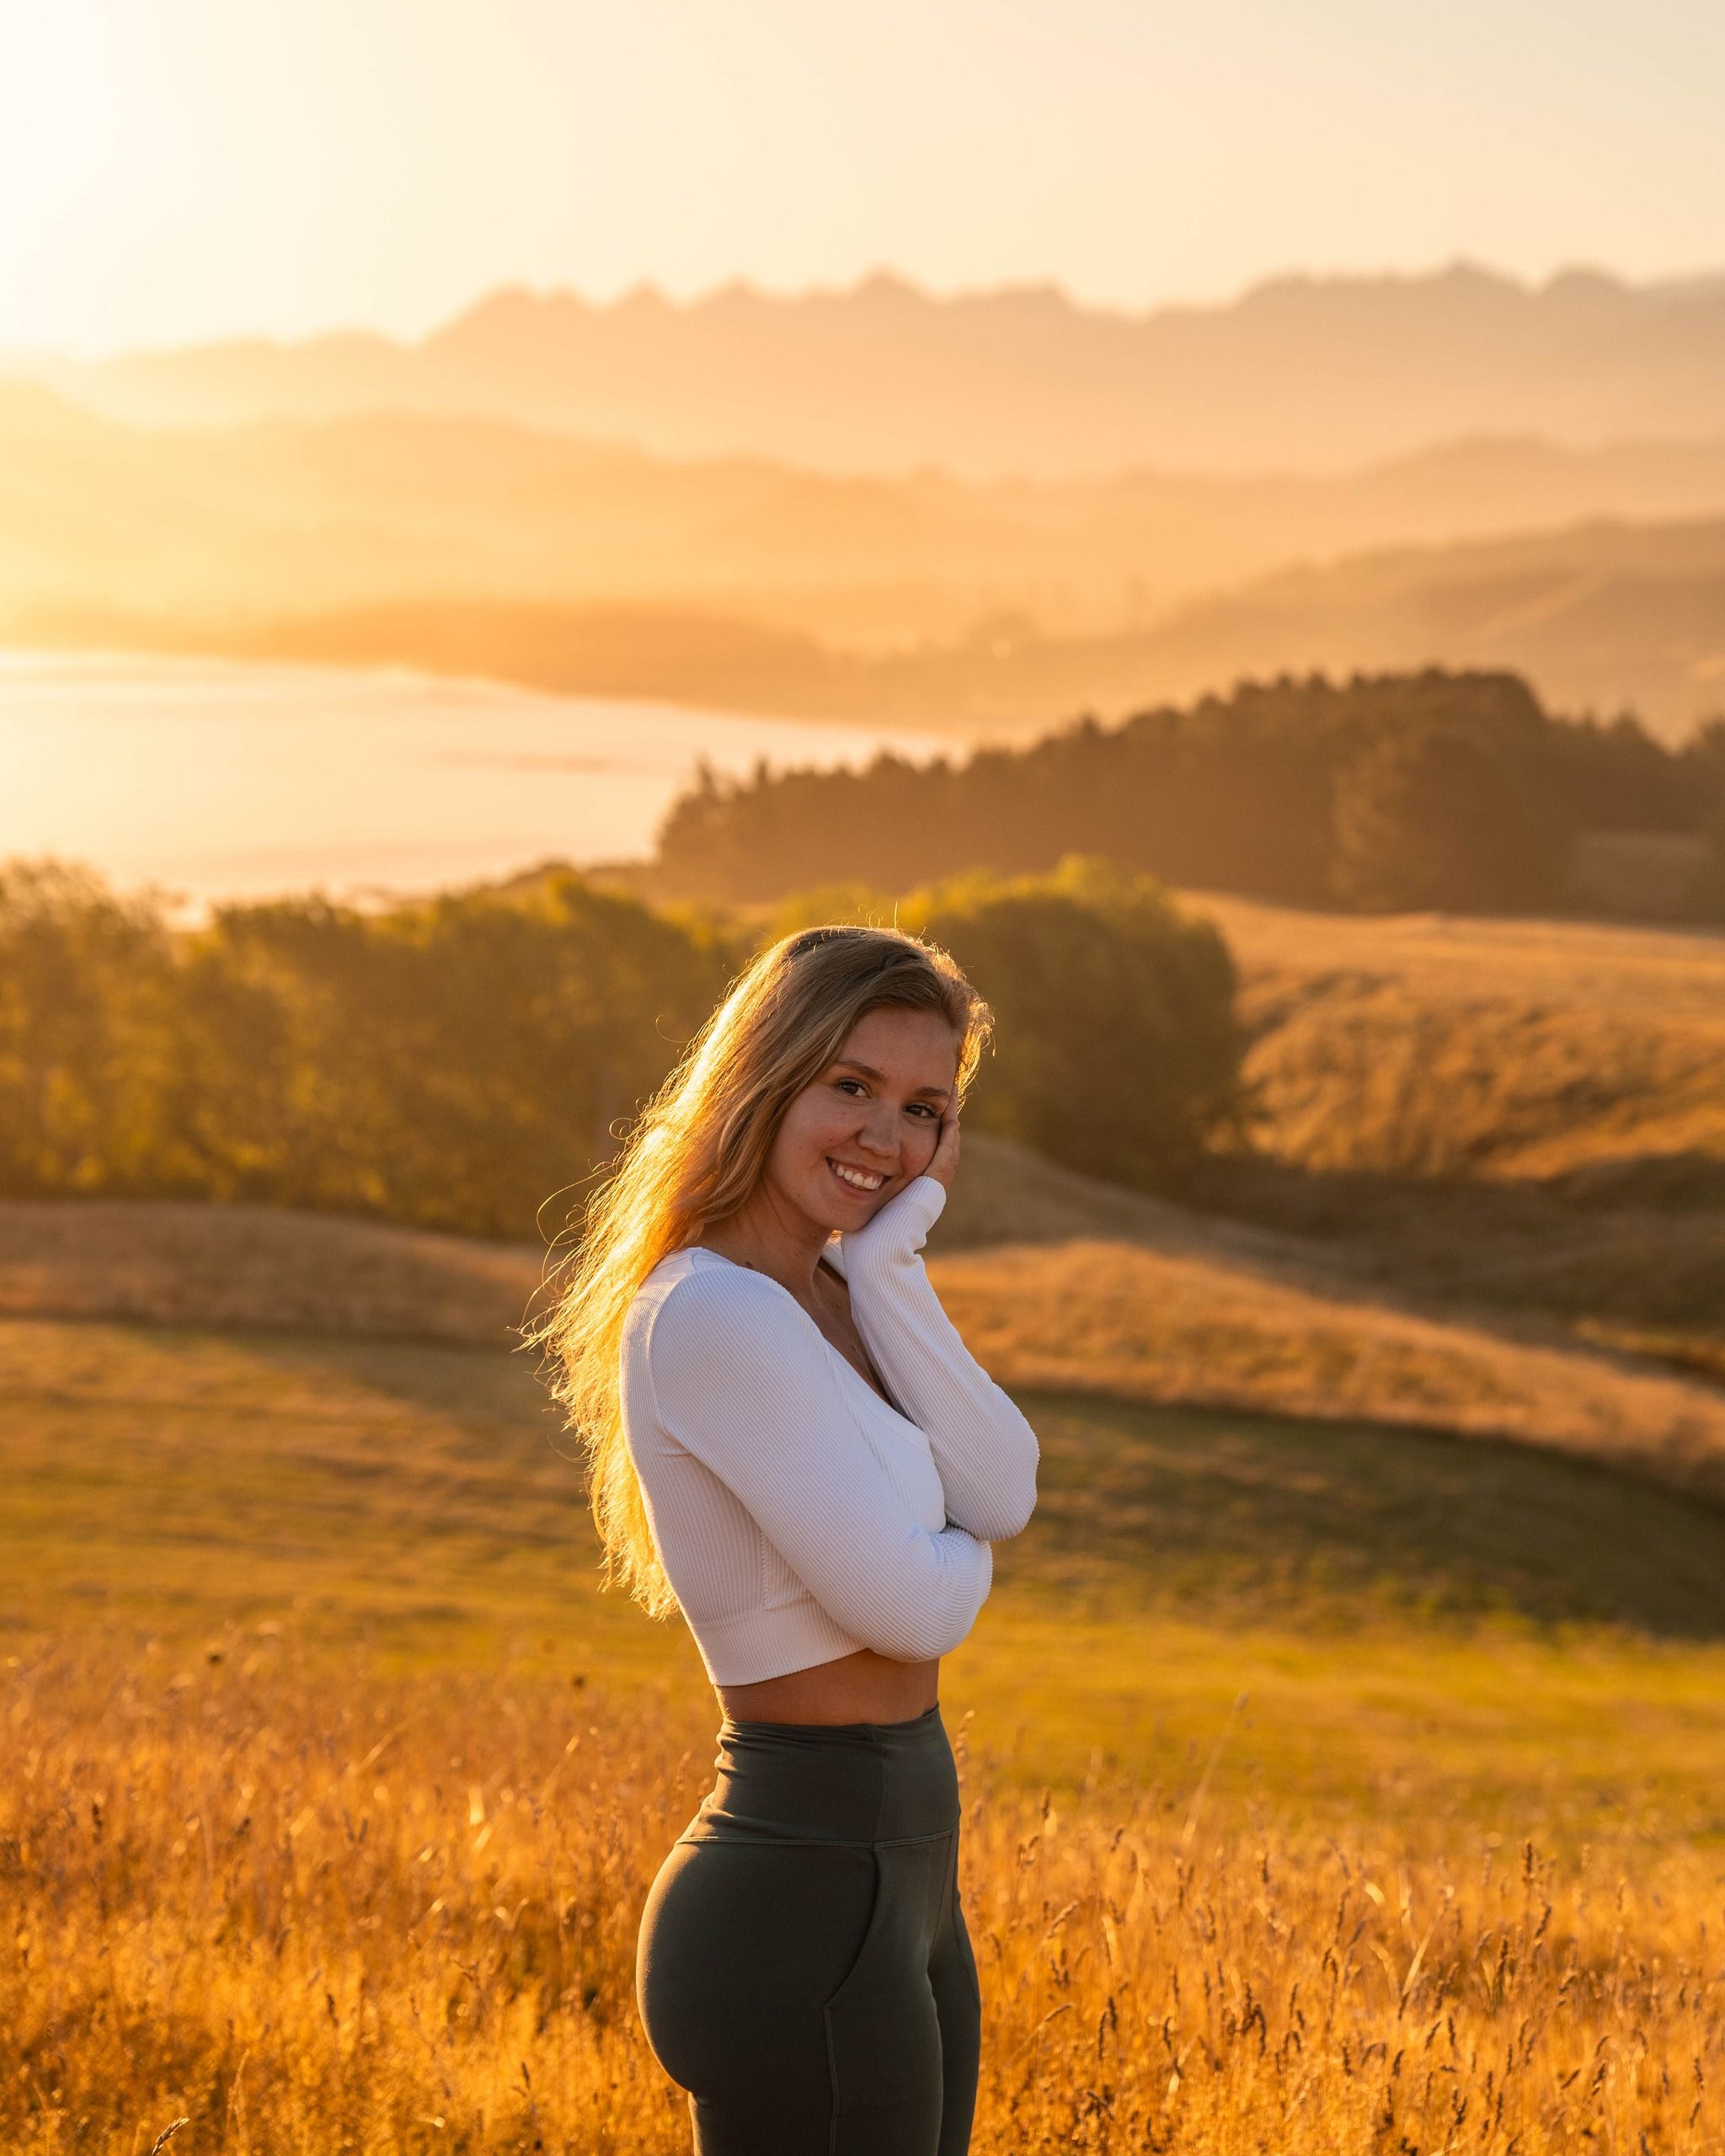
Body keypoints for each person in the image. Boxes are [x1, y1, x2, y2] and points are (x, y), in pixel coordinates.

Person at [535, 923, 1039, 2154]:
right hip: (803, 1890)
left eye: (925, 1109)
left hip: (900, 1876)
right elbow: (915, 1610)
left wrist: (890, 1266)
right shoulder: (713, 1312)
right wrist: (959, 1545)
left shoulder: (832, 1291)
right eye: (850, 1086)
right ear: (766, 1079)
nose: (886, 1136)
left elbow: (1005, 1485)